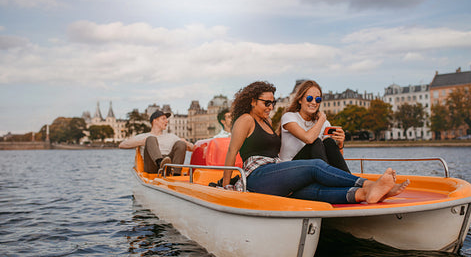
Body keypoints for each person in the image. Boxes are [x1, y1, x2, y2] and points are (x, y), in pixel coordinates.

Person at [223, 81, 409, 204]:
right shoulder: (245, 120)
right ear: (253, 101)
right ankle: (369, 184)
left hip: (275, 171)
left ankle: (365, 194)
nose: (271, 107)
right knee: (315, 167)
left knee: (312, 192)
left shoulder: (268, 121)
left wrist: (340, 144)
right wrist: (225, 188)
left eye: (273, 103)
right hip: (257, 173)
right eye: (267, 103)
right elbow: (231, 153)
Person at [280, 80, 350, 173]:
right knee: (316, 142)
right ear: (300, 100)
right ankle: (329, 179)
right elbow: (308, 139)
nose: (314, 102)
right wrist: (321, 119)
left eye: (318, 99)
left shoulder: (324, 123)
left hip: (312, 170)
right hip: (290, 170)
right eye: (309, 98)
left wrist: (340, 145)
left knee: (329, 142)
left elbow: (334, 160)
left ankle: (350, 181)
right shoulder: (289, 117)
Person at [119, 110, 194, 175]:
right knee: (151, 139)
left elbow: (191, 149)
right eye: (163, 119)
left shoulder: (171, 136)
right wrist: (141, 142)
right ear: (155, 121)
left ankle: (175, 174)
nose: (166, 121)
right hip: (151, 165)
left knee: (180, 143)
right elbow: (122, 145)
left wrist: (186, 143)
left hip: (168, 162)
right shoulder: (144, 136)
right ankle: (161, 164)